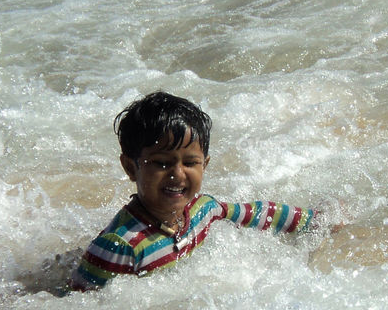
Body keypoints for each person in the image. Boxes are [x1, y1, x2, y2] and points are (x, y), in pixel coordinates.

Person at [70, 91, 316, 292]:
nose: (178, 174)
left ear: (204, 165)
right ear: (130, 167)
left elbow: (257, 213)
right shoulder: (119, 247)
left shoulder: (203, 210)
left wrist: (314, 221)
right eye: (161, 163)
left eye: (189, 163)